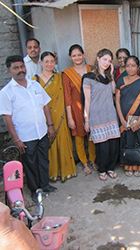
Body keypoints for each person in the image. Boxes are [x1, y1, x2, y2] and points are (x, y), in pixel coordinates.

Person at [0, 55, 57, 203]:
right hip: (25, 136)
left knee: (43, 160)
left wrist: (50, 126)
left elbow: (45, 105)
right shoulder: (7, 92)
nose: (20, 70)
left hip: (42, 132)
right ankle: (35, 189)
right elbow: (7, 119)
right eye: (16, 68)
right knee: (30, 164)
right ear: (9, 71)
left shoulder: (35, 85)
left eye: (22, 67)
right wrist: (16, 139)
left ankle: (45, 185)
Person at [33, 51, 77, 182]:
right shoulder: (34, 80)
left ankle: (66, 171)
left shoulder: (60, 77)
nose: (49, 64)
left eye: (52, 61)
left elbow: (66, 96)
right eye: (46, 61)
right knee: (48, 145)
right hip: (44, 117)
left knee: (63, 142)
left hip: (61, 115)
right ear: (41, 63)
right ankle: (52, 173)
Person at [82, 48, 120, 181]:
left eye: (109, 61)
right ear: (98, 58)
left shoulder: (109, 77)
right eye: (104, 59)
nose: (106, 63)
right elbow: (86, 100)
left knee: (113, 146)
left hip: (110, 115)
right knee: (102, 147)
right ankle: (102, 169)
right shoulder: (89, 78)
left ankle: (110, 168)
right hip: (97, 116)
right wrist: (86, 120)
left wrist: (112, 75)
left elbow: (114, 91)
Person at [116, 56, 140, 177]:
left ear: (138, 67)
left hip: (139, 120)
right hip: (124, 119)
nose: (130, 68)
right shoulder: (120, 82)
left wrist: (138, 123)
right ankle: (128, 165)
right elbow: (117, 101)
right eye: (128, 65)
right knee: (127, 141)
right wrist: (122, 120)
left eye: (133, 65)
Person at [62, 44, 97, 174]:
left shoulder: (91, 69)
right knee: (79, 137)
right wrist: (70, 117)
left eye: (79, 55)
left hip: (92, 107)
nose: (77, 58)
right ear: (70, 57)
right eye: (74, 55)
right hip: (76, 110)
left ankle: (93, 160)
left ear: (84, 55)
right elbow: (67, 97)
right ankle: (84, 162)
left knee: (92, 136)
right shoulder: (67, 74)